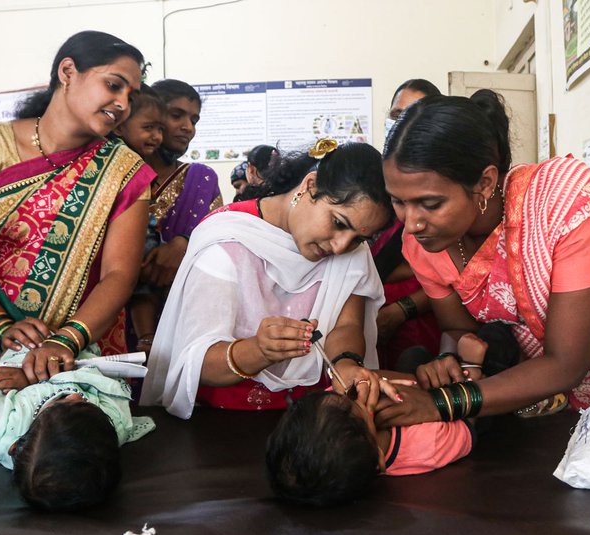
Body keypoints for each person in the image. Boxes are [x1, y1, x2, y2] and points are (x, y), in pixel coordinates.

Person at [376, 92, 590, 428]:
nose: (411, 224)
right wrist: (448, 358)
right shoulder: (421, 244)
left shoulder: (559, 206)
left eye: (430, 204)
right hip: (510, 396)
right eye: (398, 202)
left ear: (484, 183)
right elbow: (461, 329)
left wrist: (441, 402)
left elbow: (567, 363)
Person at [0, 30, 154, 382]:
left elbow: (119, 275)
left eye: (131, 96)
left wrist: (67, 341)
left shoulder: (123, 170)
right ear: (67, 72)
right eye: (114, 85)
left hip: (86, 350)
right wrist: (0, 326)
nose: (123, 105)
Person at [140, 139, 396, 418]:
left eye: (359, 238)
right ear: (310, 186)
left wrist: (346, 364)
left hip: (313, 422)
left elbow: (347, 326)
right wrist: (259, 350)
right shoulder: (228, 239)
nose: (341, 246)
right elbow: (196, 362)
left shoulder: (353, 253)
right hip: (224, 422)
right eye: (338, 223)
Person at [265, 327, 517, 507]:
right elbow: (467, 420)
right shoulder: (427, 445)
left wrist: (388, 380)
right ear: (378, 457)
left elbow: (364, 383)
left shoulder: (336, 415)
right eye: (357, 404)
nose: (351, 394)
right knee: (495, 339)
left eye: (341, 394)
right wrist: (471, 366)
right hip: (463, 409)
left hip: (425, 386)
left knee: (414, 355)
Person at [0, 349, 155, 512]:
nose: (76, 395)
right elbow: (110, 389)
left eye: (63, 402)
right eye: (86, 404)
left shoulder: (3, 424)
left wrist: (28, 378)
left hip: (22, 349)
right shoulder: (113, 425)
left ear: (19, 442)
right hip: (76, 351)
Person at [136, 79, 224, 352]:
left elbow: (219, 244)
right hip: (114, 314)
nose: (188, 127)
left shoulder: (202, 179)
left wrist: (184, 243)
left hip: (184, 319)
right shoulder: (118, 175)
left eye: (194, 119)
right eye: (177, 115)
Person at [373, 78, 442, 371]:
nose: (400, 123)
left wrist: (401, 311)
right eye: (395, 115)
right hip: (372, 317)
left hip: (424, 319)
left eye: (412, 114)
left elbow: (458, 272)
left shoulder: (444, 183)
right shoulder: (376, 178)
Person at [113, 85, 167, 354]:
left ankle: (147, 337)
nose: (157, 137)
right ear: (120, 127)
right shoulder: (115, 159)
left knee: (141, 284)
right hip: (127, 234)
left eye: (160, 129)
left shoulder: (136, 160)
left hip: (141, 230)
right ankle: (147, 337)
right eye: (149, 128)